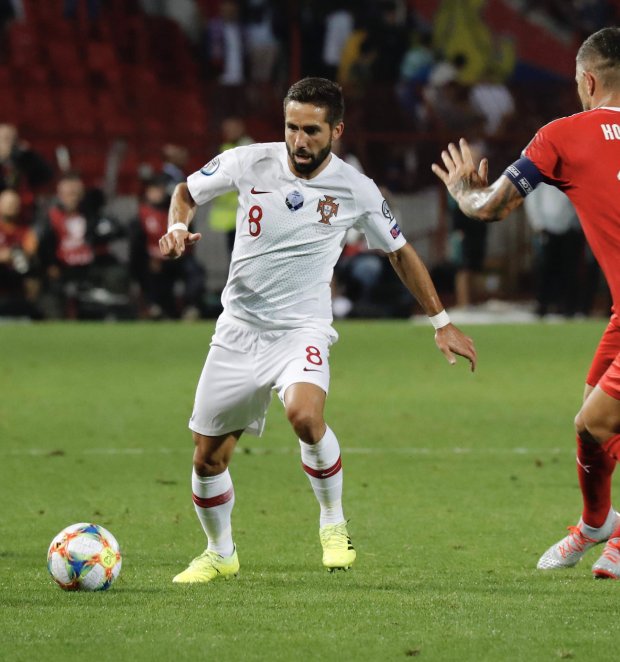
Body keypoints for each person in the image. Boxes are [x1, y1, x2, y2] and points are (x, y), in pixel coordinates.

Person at [160, 77, 477, 585]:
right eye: (292, 127)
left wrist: (441, 322)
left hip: (301, 330)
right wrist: (177, 226)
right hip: (239, 328)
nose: (299, 140)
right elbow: (185, 192)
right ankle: (220, 553)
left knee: (305, 416)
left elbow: (399, 252)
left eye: (311, 130)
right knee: (207, 459)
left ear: (336, 131)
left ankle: (333, 522)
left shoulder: (356, 189)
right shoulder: (248, 161)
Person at [431, 27, 620, 579]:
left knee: (596, 422)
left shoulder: (562, 134)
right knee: (592, 425)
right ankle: (598, 526)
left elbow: (490, 207)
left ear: (588, 81)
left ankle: (607, 529)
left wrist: (462, 190)